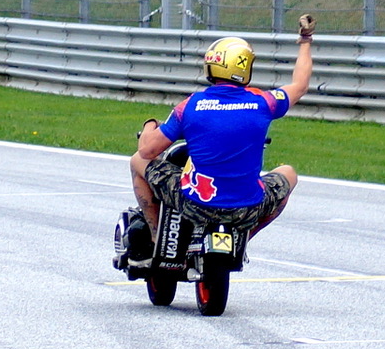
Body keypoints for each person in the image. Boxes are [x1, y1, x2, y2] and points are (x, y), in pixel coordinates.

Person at [128, 15, 316, 262]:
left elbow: (148, 152)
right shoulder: (263, 102)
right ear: (245, 67)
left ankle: (154, 237)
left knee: (135, 161)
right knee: (289, 173)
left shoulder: (191, 106)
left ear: (211, 67)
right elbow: (300, 84)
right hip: (247, 208)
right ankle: (243, 239)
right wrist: (305, 40)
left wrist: (150, 125)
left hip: (196, 206)